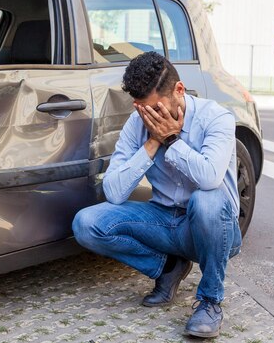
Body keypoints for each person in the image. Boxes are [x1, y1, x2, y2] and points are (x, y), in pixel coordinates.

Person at [72, 51, 242, 338]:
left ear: (179, 90)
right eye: (141, 109)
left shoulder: (216, 118)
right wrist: (152, 142)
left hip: (210, 228)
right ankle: (168, 268)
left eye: (155, 108)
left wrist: (173, 140)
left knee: (206, 199)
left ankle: (210, 302)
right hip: (163, 221)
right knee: (86, 223)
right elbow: (113, 191)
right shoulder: (139, 122)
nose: (148, 116)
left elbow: (210, 178)